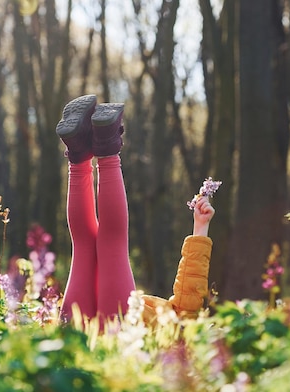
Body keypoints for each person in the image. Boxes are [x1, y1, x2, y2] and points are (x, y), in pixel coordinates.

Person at [56, 94, 214, 325]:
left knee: (109, 244)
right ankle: (79, 153)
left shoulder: (181, 335)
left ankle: (106, 146)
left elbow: (189, 301)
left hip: (127, 333)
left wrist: (201, 230)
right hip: (81, 341)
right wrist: (200, 228)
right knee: (83, 245)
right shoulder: (179, 347)